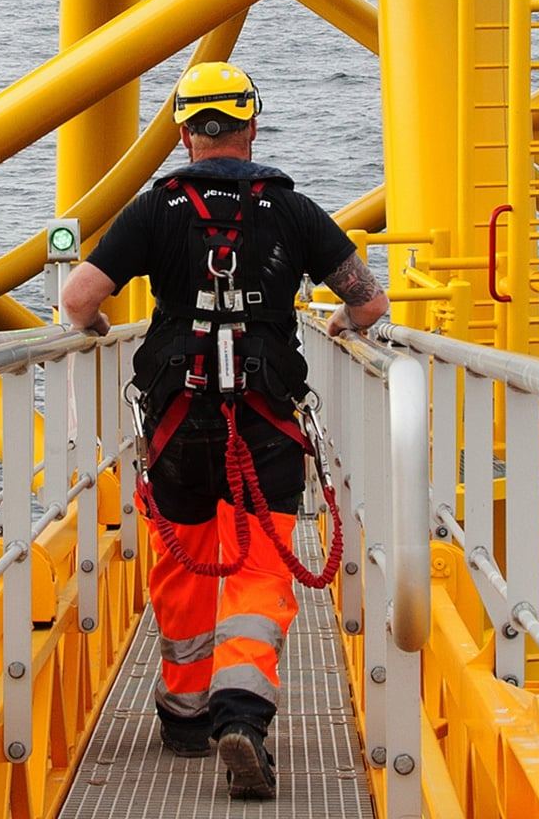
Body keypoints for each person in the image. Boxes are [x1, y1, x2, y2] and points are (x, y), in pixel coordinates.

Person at [58, 61, 389, 801]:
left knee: (185, 561)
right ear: (251, 125)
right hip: (266, 419)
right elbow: (367, 302)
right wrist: (339, 322)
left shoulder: (157, 208)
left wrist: (98, 324)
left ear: (182, 133)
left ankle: (183, 714)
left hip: (178, 415)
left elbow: (78, 298)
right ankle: (242, 715)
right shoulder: (290, 208)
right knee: (260, 568)